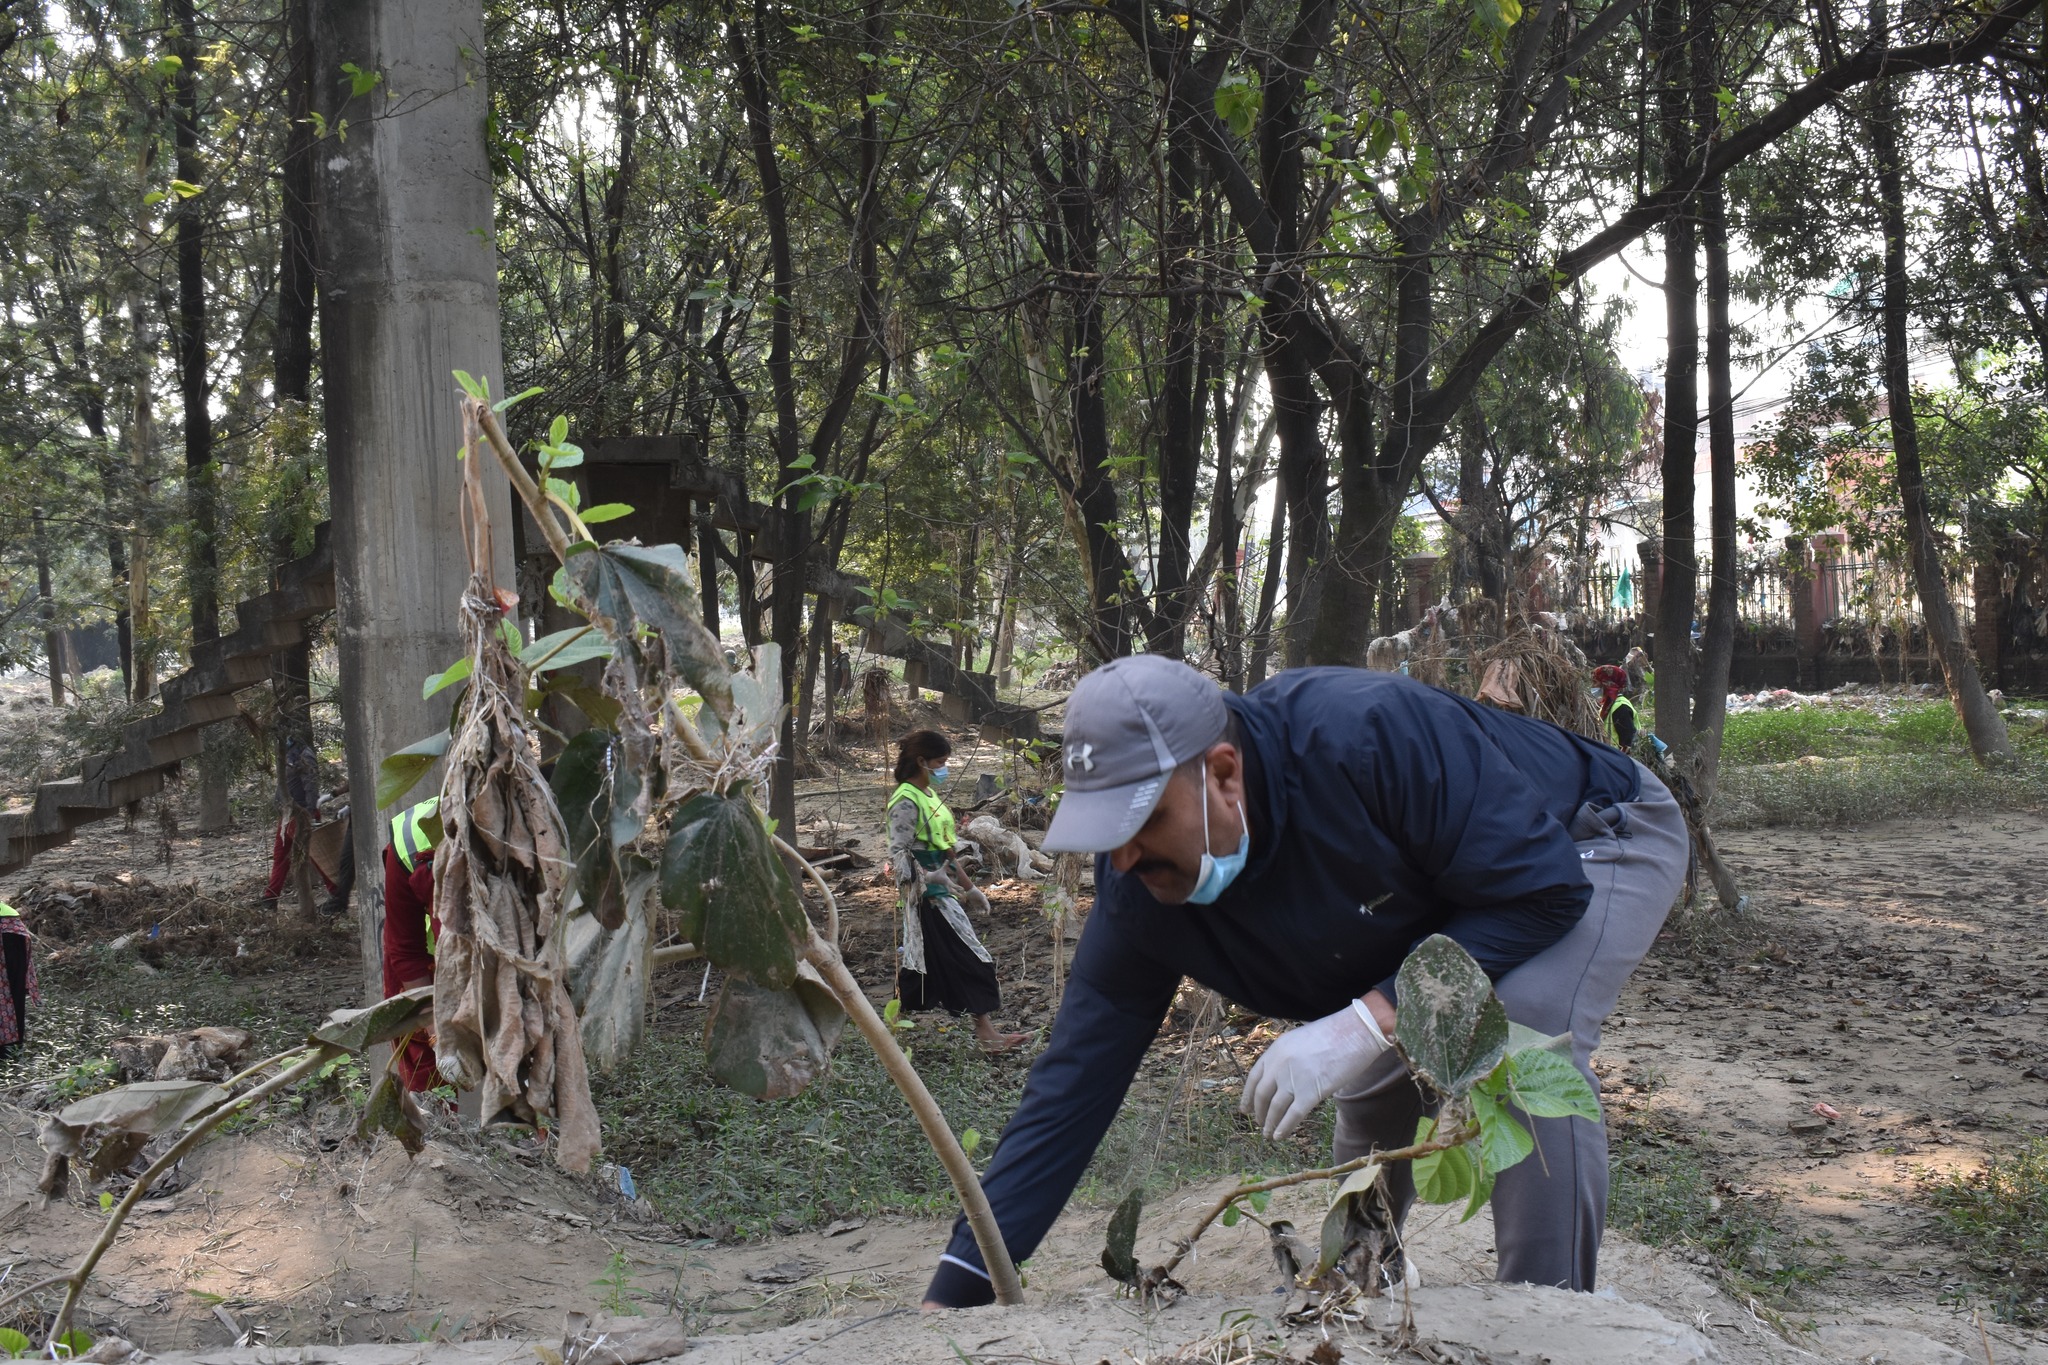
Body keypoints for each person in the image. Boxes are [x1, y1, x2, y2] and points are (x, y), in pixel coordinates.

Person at [920, 657, 1688, 1308]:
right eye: (1104, 833)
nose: (1120, 860)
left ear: (1223, 772)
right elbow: (1074, 1081)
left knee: (1520, 1021)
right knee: (1375, 1073)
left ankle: (1552, 1314)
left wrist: (1365, 1019)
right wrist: (960, 1285)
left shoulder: (1367, 738)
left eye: (1139, 823)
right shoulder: (1138, 889)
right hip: (1453, 884)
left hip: (1588, 836)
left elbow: (1542, 891)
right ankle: (1365, 1285)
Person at [889, 730, 1031, 1054]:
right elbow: (899, 855)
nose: (944, 769)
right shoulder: (905, 802)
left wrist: (970, 887)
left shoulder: (929, 798)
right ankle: (987, 1036)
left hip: (943, 893)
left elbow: (948, 852)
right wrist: (928, 877)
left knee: (923, 965)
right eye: (940, 763)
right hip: (926, 898)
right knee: (967, 958)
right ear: (922, 762)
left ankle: (894, 1033)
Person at [383, 795, 444, 1091]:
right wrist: (433, 1029)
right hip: (432, 970)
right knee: (425, 1067)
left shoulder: (541, 838)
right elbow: (404, 948)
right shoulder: (412, 839)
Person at [263, 735, 332, 908]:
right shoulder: (287, 754)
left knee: (318, 856)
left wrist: (309, 813)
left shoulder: (304, 755)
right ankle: (270, 899)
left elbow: (311, 785)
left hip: (301, 813)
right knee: (281, 856)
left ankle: (337, 894)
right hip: (287, 814)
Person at [0, 899, 36, 1060]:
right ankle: (13, 1051)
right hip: (14, 926)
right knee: (15, 994)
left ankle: (5, 1054)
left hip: (9, 930)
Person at [1594, 664, 1642, 752]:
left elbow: (1628, 743)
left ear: (1606, 684)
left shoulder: (1620, 707)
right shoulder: (1607, 706)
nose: (1593, 686)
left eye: (1596, 682)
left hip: (1617, 760)